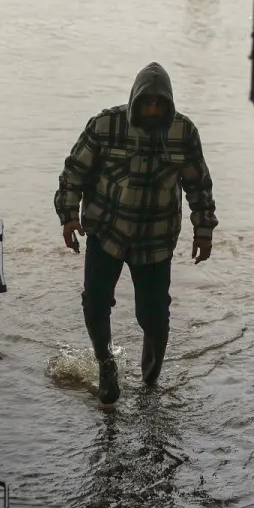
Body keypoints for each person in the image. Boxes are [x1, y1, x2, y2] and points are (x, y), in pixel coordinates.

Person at [53, 63, 218, 404]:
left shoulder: (183, 132)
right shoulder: (105, 125)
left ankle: (150, 380)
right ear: (135, 101)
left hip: (155, 239)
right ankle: (105, 365)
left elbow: (198, 184)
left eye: (160, 104)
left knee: (154, 313)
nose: (153, 109)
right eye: (147, 103)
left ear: (169, 104)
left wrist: (203, 231)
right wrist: (68, 217)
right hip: (106, 230)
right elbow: (74, 172)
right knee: (96, 302)